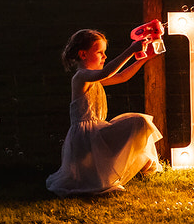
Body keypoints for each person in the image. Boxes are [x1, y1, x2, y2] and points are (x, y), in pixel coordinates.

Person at [46, 29, 162, 196]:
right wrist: (131, 51)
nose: (104, 56)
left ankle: (143, 164)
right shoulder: (81, 77)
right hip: (86, 137)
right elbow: (106, 72)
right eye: (100, 52)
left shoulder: (93, 77)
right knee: (138, 121)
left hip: (97, 131)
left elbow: (121, 76)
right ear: (83, 55)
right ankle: (141, 164)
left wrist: (144, 59)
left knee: (139, 122)